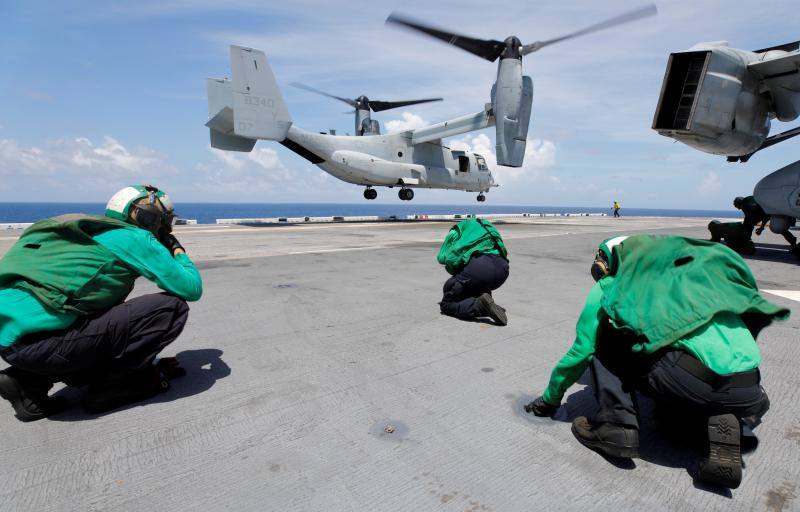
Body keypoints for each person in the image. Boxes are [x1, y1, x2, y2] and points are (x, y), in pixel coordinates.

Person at [525, 235, 787, 488]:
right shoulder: (694, 275)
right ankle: (723, 419)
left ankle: (616, 427)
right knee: (673, 395)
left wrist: (549, 399)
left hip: (690, 379)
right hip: (749, 387)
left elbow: (581, 352)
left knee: (604, 341)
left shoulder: (614, 283)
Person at [0, 185, 202, 421]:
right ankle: (112, 387)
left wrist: (148, 364)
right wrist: (176, 249)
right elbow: (191, 288)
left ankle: (26, 382)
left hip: (10, 344)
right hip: (44, 347)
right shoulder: (135, 237)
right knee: (170, 308)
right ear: (149, 218)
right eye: (164, 221)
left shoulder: (85, 232)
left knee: (105, 313)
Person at [437, 218, 509, 325]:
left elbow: (443, 258)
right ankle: (487, 304)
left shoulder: (456, 230)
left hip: (479, 267)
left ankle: (481, 307)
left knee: (447, 301)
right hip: (502, 270)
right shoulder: (487, 225)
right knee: (472, 282)